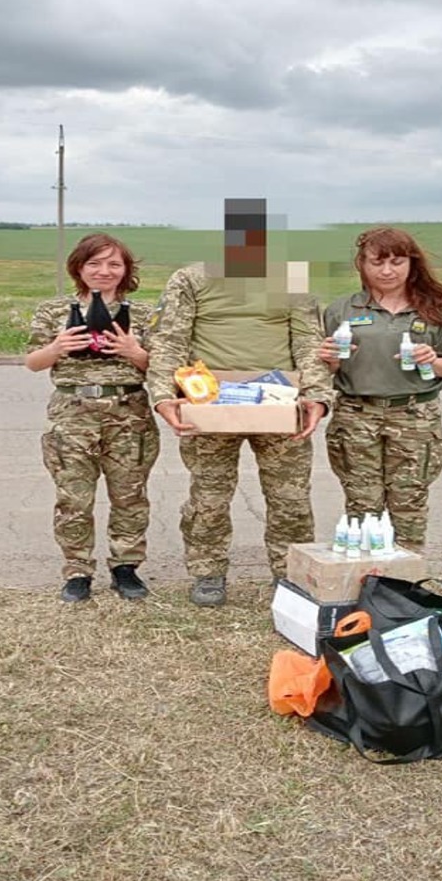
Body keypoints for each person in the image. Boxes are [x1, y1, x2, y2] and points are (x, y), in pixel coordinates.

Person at [146, 199, 334, 607]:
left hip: (280, 402)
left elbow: (307, 343)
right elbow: (169, 340)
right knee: (208, 498)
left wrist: (316, 396)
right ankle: (208, 572)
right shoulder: (191, 280)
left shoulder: (291, 281)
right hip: (209, 402)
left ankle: (291, 575)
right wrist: (164, 397)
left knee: (291, 499)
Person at [25, 233, 160, 603]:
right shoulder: (53, 312)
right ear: (79, 268)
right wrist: (57, 347)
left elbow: (163, 369)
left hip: (128, 413)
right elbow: (32, 362)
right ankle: (78, 571)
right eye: (94, 264)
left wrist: (134, 351)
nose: (104, 271)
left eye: (114, 264)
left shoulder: (146, 315)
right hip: (72, 415)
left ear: (126, 270)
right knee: (73, 499)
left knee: (130, 496)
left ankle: (125, 568)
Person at [319, 226, 442, 553]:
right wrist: (328, 359)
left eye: (397, 262)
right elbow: (329, 369)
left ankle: (405, 584)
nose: (387, 271)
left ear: (411, 264)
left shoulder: (437, 308)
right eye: (377, 262)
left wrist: (432, 359)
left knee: (409, 503)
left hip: (414, 415)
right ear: (362, 264)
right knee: (361, 504)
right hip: (357, 416)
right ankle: (365, 579)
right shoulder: (342, 310)